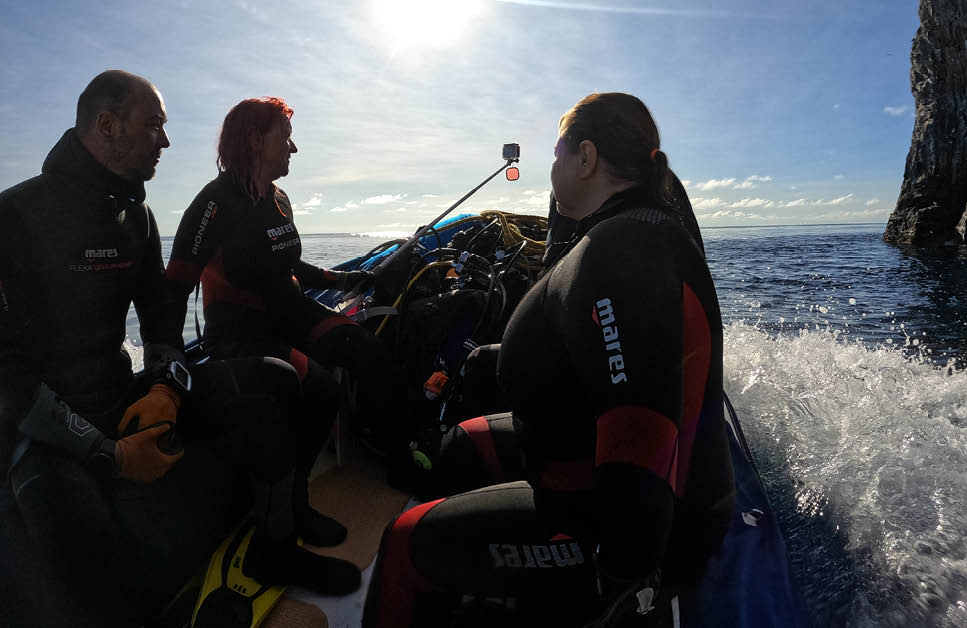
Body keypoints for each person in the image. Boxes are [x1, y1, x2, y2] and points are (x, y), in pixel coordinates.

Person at [0, 71, 359, 628]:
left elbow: (162, 318)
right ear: (106, 125)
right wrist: (107, 454)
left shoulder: (137, 218)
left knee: (277, 381)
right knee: (77, 539)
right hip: (43, 430)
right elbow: (7, 373)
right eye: (154, 126)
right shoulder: (15, 218)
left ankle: (275, 546)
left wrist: (168, 384)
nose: (166, 141)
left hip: (124, 396)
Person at [364, 92, 735, 627]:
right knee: (461, 449)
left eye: (558, 153)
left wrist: (623, 588)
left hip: (617, 531)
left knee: (402, 545)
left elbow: (638, 440)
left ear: (587, 159)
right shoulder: (626, 230)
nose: (552, 167)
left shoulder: (624, 252)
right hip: (574, 456)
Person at [165, 97, 410, 488]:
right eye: (286, 137)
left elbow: (288, 265)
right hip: (242, 332)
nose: (293, 148)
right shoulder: (215, 203)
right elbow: (173, 289)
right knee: (319, 388)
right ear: (255, 140)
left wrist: (341, 280)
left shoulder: (278, 199)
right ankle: (293, 501)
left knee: (372, 349)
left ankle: (398, 458)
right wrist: (168, 371)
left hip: (290, 313)